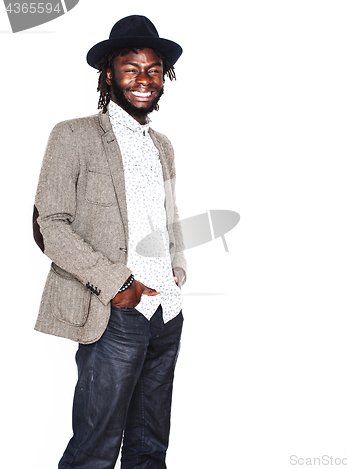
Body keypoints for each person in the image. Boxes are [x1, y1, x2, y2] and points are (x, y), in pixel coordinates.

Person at [32, 15, 187, 469]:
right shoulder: (74, 135)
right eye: (131, 68)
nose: (144, 79)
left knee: (149, 448)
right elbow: (50, 225)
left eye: (153, 69)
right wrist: (118, 284)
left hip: (167, 311)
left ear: (164, 78)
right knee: (95, 448)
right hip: (114, 311)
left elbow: (168, 214)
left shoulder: (162, 145)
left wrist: (177, 269)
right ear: (109, 74)